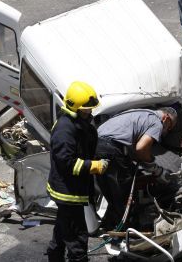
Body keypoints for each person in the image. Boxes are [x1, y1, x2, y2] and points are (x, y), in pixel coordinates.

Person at [46, 81, 107, 262]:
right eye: (86, 109)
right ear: (75, 107)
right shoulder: (65, 130)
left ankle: (54, 258)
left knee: (62, 231)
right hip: (68, 193)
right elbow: (67, 163)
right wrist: (93, 166)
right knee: (77, 238)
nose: (89, 112)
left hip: (71, 190)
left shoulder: (77, 123)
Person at [95, 108, 178, 229]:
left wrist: (146, 165)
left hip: (96, 145)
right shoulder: (157, 122)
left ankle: (109, 225)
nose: (167, 131)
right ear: (166, 118)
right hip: (111, 148)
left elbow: (134, 151)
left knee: (112, 192)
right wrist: (157, 169)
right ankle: (127, 229)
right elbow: (141, 149)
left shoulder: (141, 114)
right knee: (125, 190)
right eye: (169, 127)